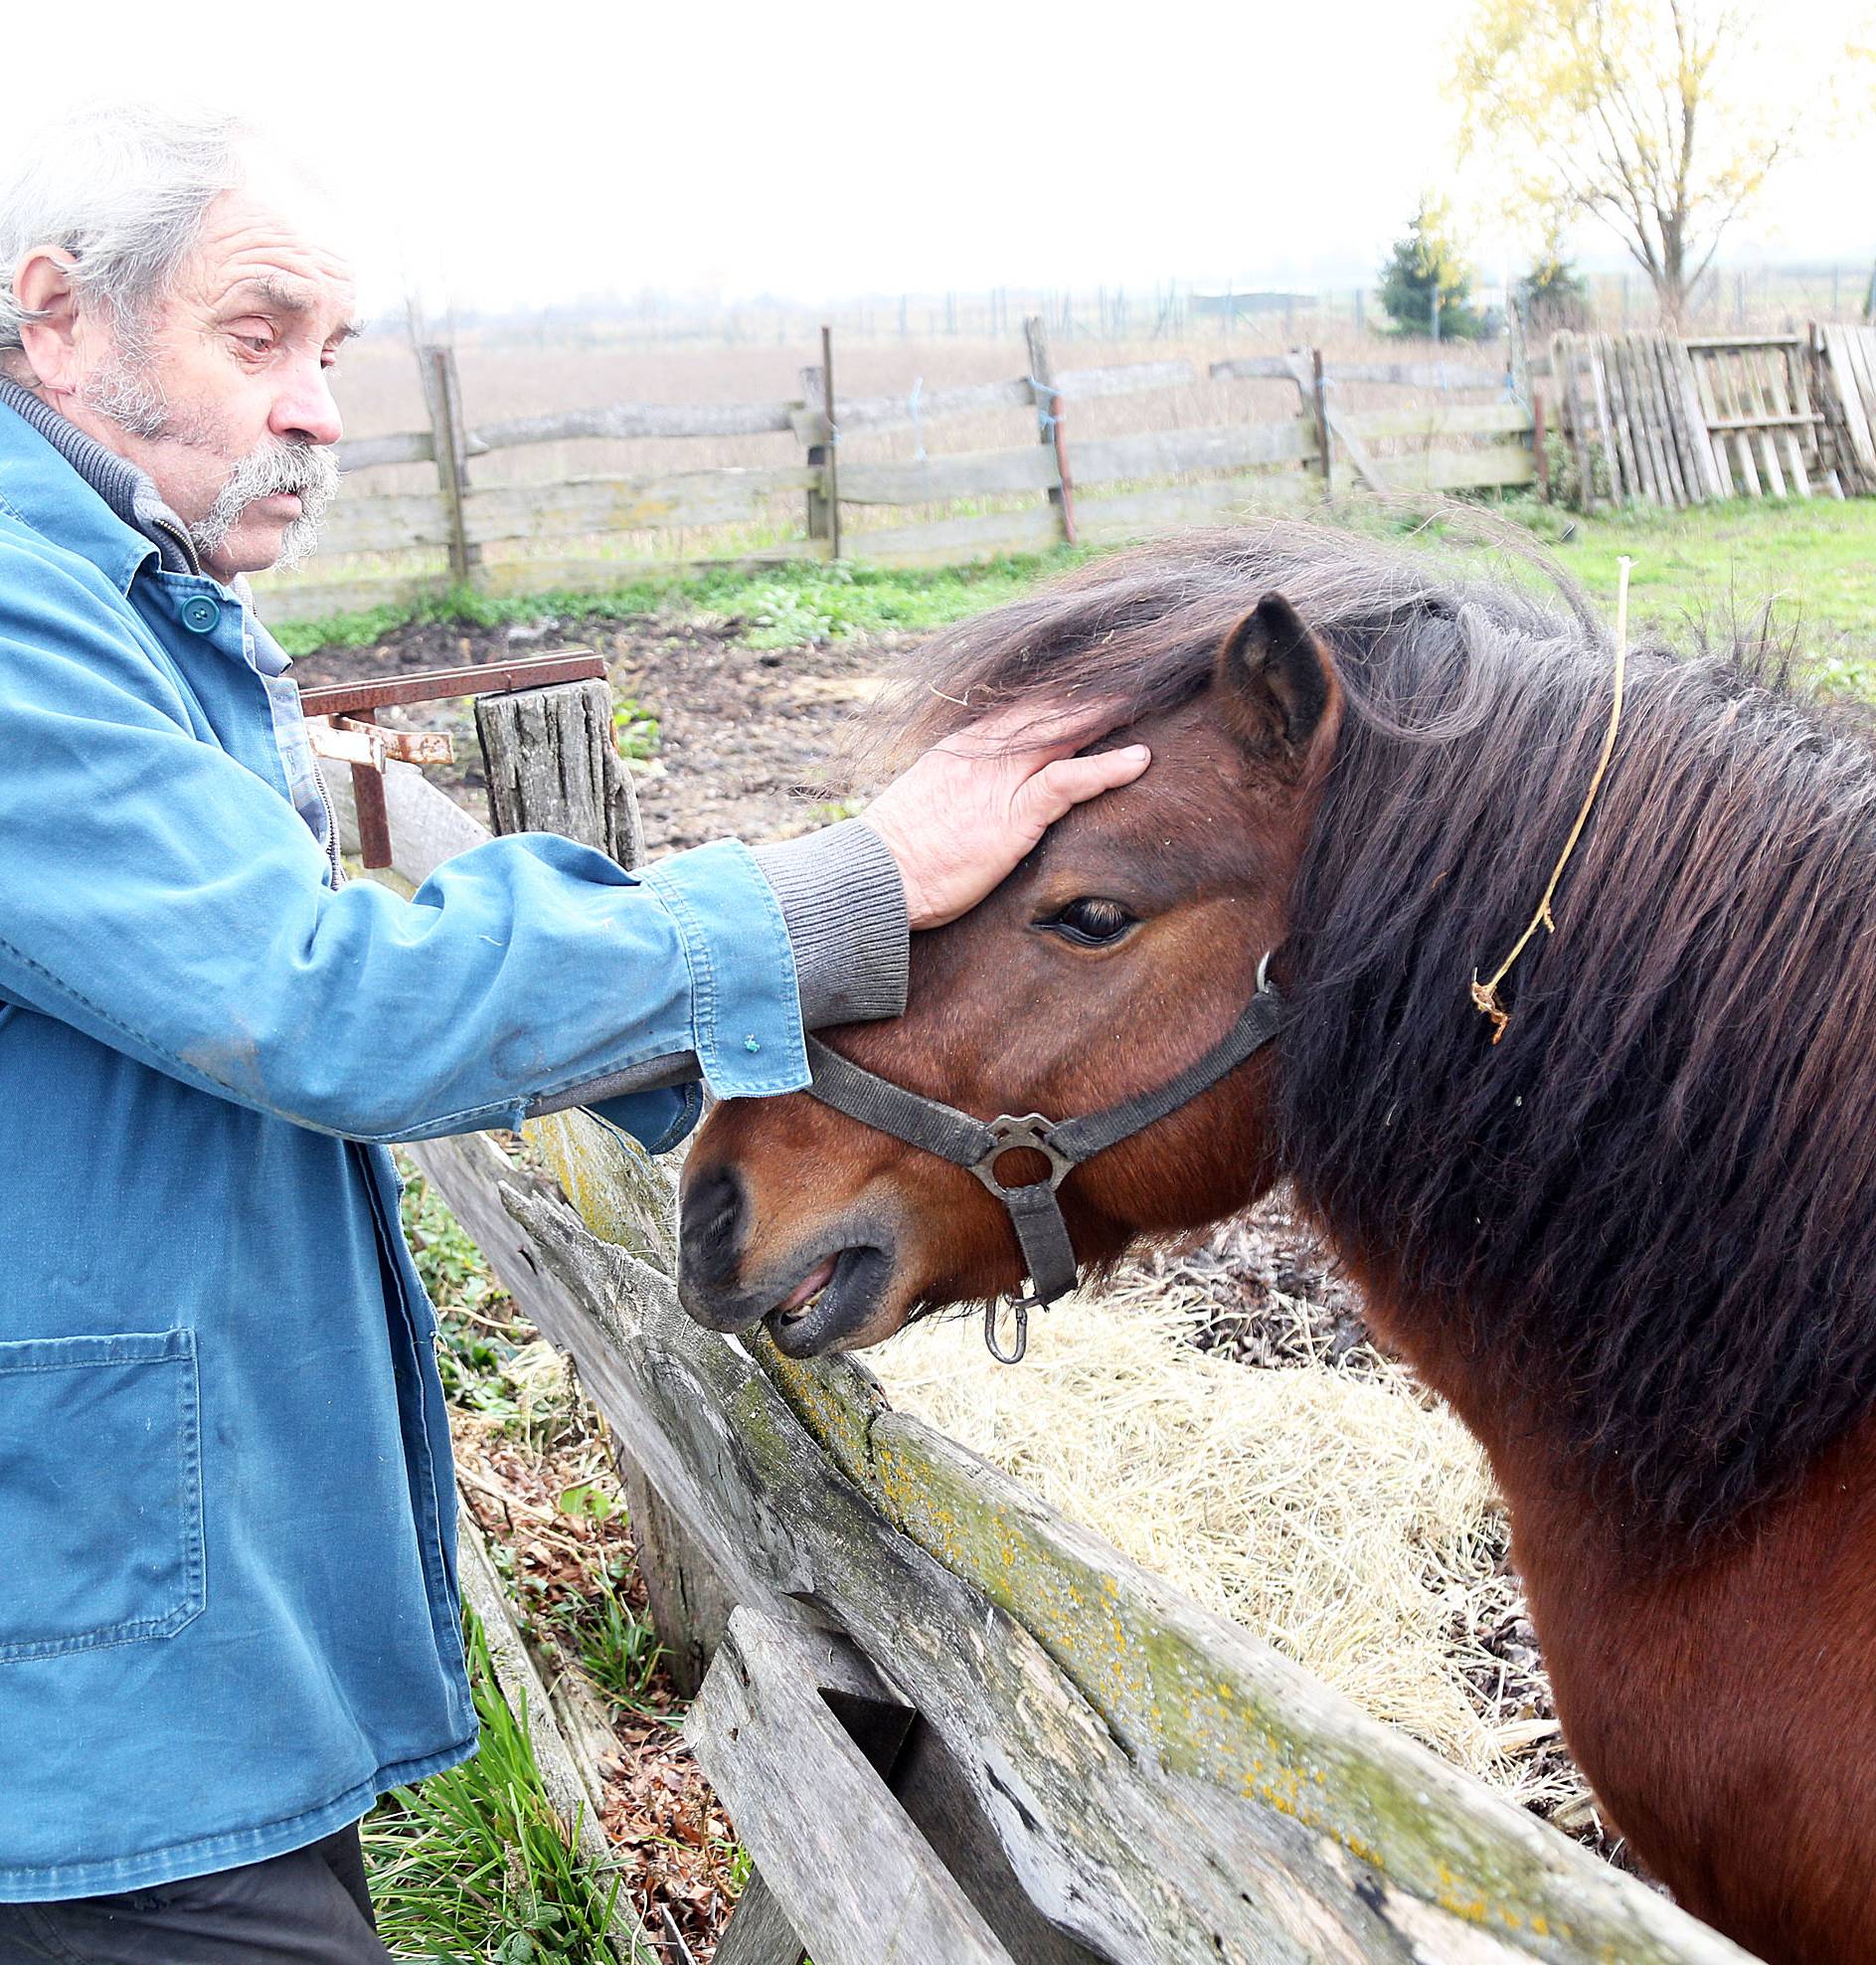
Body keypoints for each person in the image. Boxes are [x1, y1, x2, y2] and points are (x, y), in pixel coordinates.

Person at [0, 104, 1147, 1962]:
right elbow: (316, 994)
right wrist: (835, 884)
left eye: (333, 352)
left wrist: (771, 1085)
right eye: (257, 334)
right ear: (55, 319)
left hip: (118, 1642)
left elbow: (232, 967)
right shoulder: (17, 622)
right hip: (71, 1706)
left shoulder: (125, 601)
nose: (319, 410)